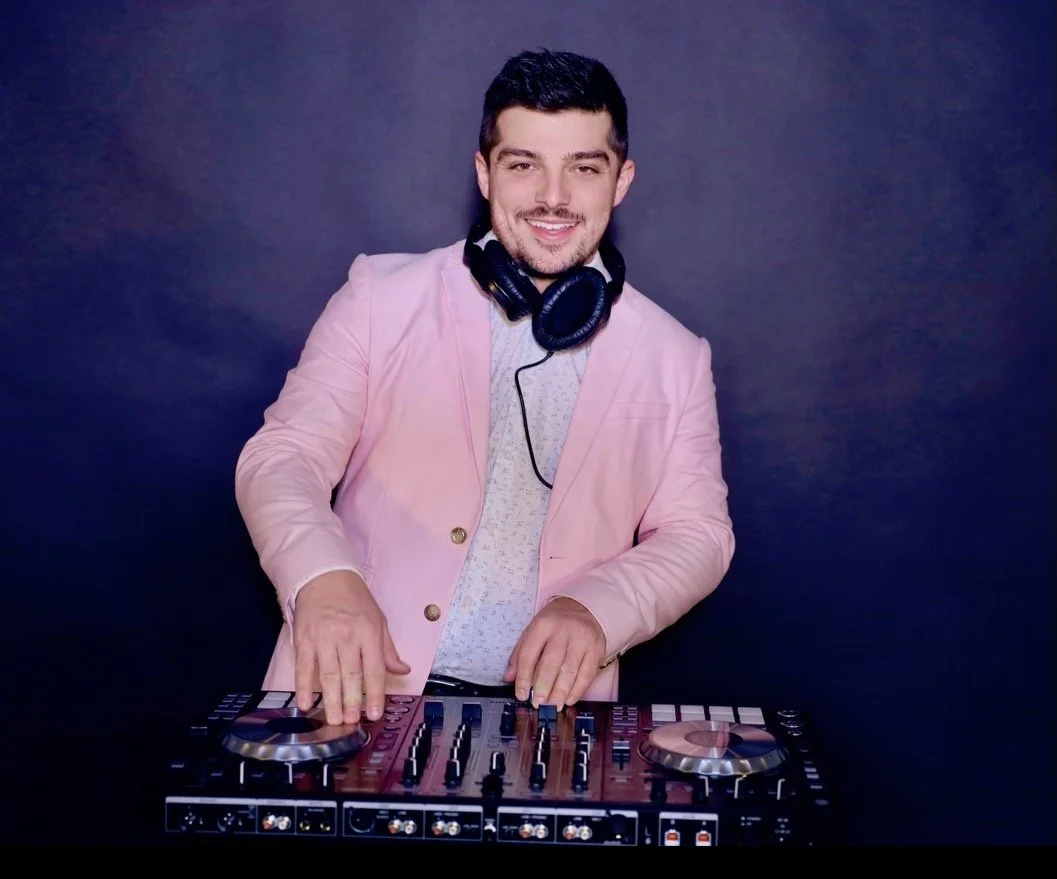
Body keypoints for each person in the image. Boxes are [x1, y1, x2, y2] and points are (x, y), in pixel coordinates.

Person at [234, 48, 734, 727]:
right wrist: (322, 575)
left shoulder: (676, 356)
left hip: (553, 721)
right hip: (351, 697)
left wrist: (599, 606)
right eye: (523, 164)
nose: (553, 196)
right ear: (484, 172)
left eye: (584, 168)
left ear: (621, 181)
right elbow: (282, 455)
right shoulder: (379, 297)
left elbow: (699, 534)